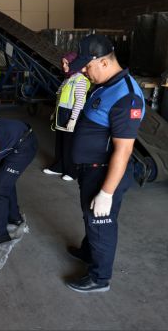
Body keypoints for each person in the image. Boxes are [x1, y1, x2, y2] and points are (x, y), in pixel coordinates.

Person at [65, 34, 145, 293]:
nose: (85, 72)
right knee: (90, 219)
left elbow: (123, 150)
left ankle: (99, 278)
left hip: (104, 173)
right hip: (90, 169)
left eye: (88, 66)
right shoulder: (106, 83)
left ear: (103, 62)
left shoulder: (127, 96)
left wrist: (106, 193)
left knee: (102, 225)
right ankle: (89, 253)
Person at [43, 52, 90, 181]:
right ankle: (59, 167)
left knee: (70, 144)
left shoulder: (80, 80)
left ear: (75, 64)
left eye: (67, 63)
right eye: (63, 63)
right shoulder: (68, 78)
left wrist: (73, 119)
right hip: (62, 115)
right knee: (60, 143)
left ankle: (72, 171)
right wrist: (54, 113)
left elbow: (80, 101)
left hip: (71, 115)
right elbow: (60, 98)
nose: (64, 66)